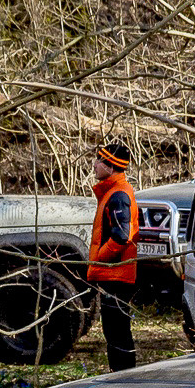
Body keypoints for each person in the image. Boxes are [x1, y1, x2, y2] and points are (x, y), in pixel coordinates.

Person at [87, 141, 139, 372]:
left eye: (99, 160)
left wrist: (99, 258)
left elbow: (121, 236)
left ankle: (124, 377)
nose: (95, 164)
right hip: (114, 273)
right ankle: (121, 375)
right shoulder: (112, 192)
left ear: (110, 166)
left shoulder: (118, 195)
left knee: (117, 331)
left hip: (116, 274)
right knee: (115, 330)